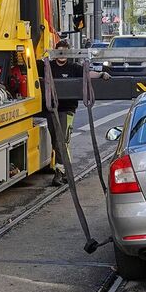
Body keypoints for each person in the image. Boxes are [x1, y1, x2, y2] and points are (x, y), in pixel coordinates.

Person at [42, 40, 110, 186]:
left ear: (68, 53)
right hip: (51, 109)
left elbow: (87, 74)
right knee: (56, 141)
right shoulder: (48, 67)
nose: (62, 55)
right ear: (55, 52)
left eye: (64, 52)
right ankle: (66, 171)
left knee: (62, 141)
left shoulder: (73, 68)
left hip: (67, 110)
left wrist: (101, 74)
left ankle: (60, 172)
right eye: (59, 51)